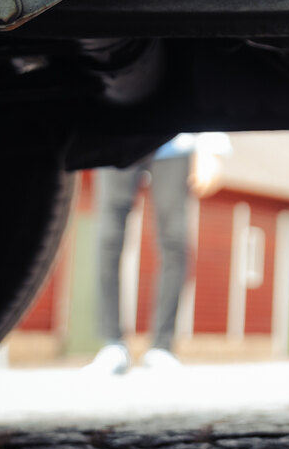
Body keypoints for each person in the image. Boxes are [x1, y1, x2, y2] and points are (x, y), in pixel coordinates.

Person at [85, 131, 229, 374]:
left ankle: (162, 346)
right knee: (109, 235)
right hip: (115, 133)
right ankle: (112, 343)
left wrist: (210, 145)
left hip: (174, 137)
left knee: (174, 238)